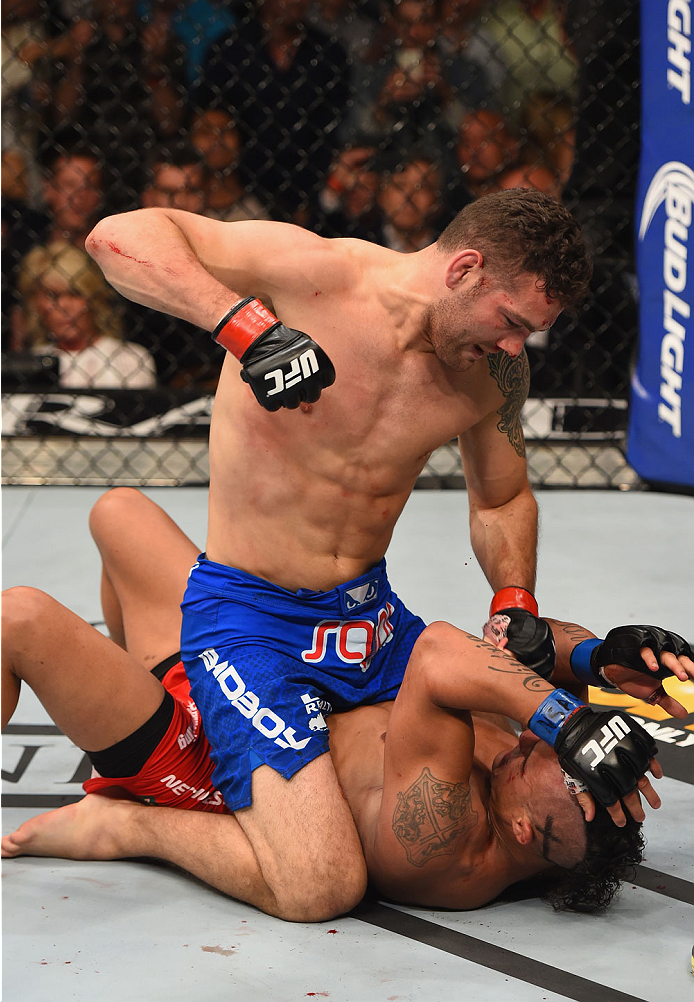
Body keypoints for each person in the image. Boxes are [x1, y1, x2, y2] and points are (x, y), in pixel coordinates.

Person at [85, 186, 595, 919]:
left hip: (370, 621)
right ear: (466, 269)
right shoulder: (310, 274)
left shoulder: (494, 374)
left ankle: (174, 707)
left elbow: (501, 499)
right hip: (253, 617)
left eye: (530, 334)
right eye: (512, 322)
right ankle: (127, 819)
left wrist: (514, 598)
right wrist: (246, 328)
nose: (516, 348)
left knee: (506, 745)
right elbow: (117, 236)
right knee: (320, 885)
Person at [3, 488, 691, 919]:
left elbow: (442, 656)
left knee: (22, 620)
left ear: (520, 831)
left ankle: (126, 814)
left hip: (206, 755)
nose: (548, 747)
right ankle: (134, 688)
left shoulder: (446, 837)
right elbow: (527, 656)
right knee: (119, 512)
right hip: (265, 679)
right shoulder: (524, 775)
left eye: (565, 767)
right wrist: (594, 658)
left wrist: (565, 717)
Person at [15, 240, 157, 389]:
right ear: (36, 304)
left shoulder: (130, 359)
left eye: (74, 294)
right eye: (53, 296)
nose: (64, 306)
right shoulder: (32, 362)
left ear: (92, 298)